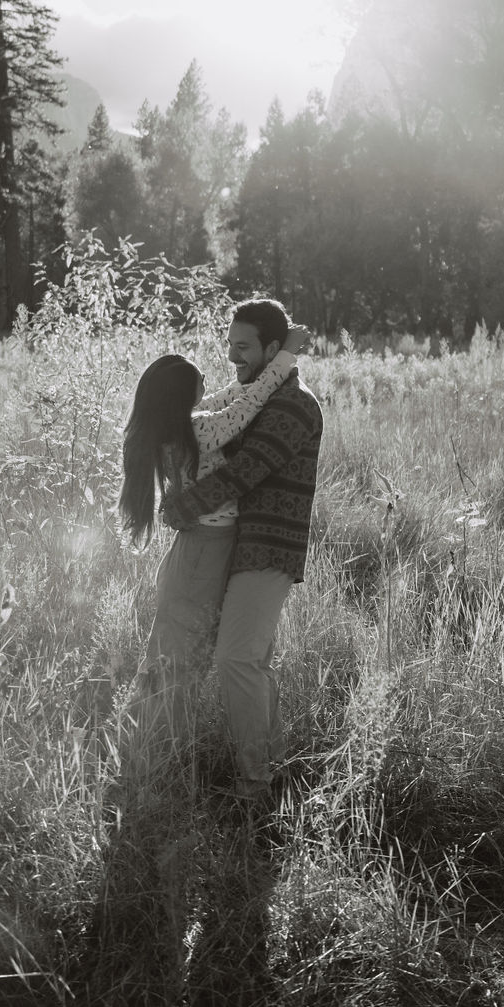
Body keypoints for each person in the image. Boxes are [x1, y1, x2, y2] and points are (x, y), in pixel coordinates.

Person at [117, 324, 309, 770]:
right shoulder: (199, 431)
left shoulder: (185, 426)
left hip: (200, 549)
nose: (212, 380)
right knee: (179, 655)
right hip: (205, 550)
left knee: (178, 650)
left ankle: (148, 750)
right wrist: (287, 357)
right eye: (200, 379)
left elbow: (228, 398)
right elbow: (247, 404)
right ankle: (149, 752)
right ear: (184, 396)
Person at [159, 298, 323, 802]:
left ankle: (257, 784)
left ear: (272, 350)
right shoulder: (254, 397)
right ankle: (269, 765)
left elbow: (243, 472)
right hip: (233, 545)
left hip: (267, 549)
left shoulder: (295, 407)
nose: (233, 356)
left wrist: (181, 509)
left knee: (237, 661)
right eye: (229, 345)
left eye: (244, 347)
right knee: (236, 660)